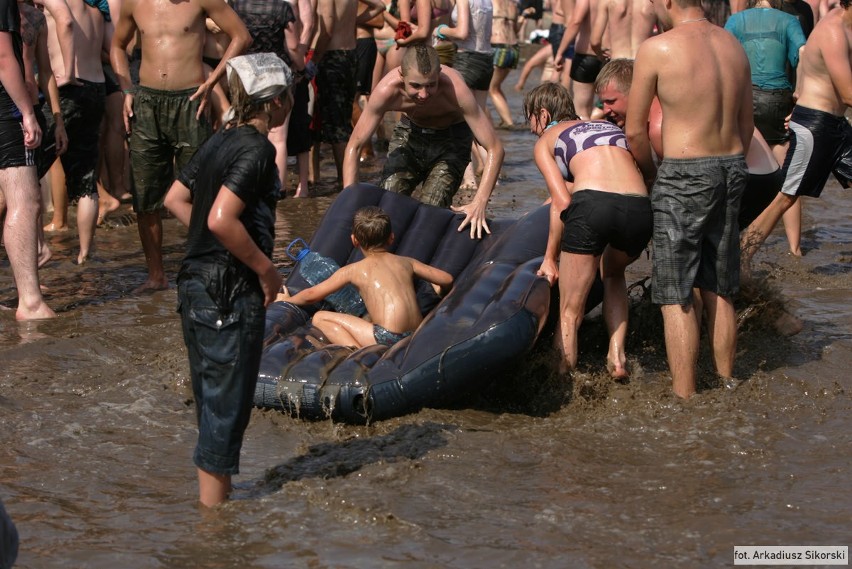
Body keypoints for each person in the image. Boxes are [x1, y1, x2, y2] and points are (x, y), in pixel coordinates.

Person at [163, 53, 293, 508]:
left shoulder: (220, 140)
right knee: (226, 409)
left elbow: (177, 198)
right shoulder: (258, 149)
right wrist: (266, 268)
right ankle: (214, 530)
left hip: (195, 286)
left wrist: (211, 240)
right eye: (290, 95)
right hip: (229, 293)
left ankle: (218, 503)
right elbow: (221, 219)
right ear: (275, 102)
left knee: (211, 401)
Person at [625, 0, 753, 399]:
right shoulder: (732, 43)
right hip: (731, 165)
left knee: (676, 290)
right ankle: (727, 381)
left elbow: (634, 132)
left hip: (683, 170)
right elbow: (746, 126)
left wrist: (651, 174)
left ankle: (686, 397)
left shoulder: (657, 48)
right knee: (719, 285)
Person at [110, 0, 251, 294]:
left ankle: (212, 265)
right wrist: (126, 89)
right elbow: (117, 45)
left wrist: (213, 80)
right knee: (146, 195)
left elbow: (241, 36)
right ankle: (156, 275)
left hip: (191, 101)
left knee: (201, 190)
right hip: (146, 103)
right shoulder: (133, 2)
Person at [526, 82, 651, 379]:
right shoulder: (603, 126)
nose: (531, 128)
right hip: (639, 208)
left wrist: (549, 257)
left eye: (529, 119)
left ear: (543, 114)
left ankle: (563, 378)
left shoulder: (546, 140)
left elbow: (562, 202)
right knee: (613, 273)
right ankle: (617, 357)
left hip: (594, 205)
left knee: (570, 312)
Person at [343, 44, 505, 239]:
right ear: (402, 77)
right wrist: (348, 203)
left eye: (430, 85)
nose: (424, 94)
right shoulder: (387, 90)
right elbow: (355, 145)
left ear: (439, 74)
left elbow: (495, 148)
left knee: (432, 210)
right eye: (416, 86)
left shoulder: (455, 89)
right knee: (388, 205)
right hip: (410, 134)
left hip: (451, 141)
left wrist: (479, 202)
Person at [740, 0, 852, 278]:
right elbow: (848, 93)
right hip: (816, 125)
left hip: (836, 124)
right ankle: (740, 257)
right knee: (786, 196)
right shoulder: (834, 30)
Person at [278, 205, 454, 348]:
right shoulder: (407, 262)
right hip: (417, 333)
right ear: (391, 238)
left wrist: (286, 300)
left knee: (320, 317)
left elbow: (311, 295)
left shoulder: (353, 270)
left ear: (354, 240)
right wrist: (440, 291)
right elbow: (447, 279)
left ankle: (356, 353)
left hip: (387, 337)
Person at [725, 0, 807, 256]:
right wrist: (800, 96)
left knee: (738, 168)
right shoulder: (789, 21)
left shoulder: (736, 21)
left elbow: (723, 56)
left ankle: (733, 239)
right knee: (785, 177)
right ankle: (795, 249)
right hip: (776, 99)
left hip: (744, 97)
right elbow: (803, 53)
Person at [0, 0, 55, 320]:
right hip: (4, 108)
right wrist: (27, 112)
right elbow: (5, 57)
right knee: (26, 200)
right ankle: (31, 302)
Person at [311, 0, 385, 189]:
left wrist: (314, 59)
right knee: (341, 120)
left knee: (325, 121)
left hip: (330, 56)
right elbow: (379, 6)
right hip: (350, 55)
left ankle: (343, 181)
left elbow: (326, 30)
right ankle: (339, 178)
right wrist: (352, 19)